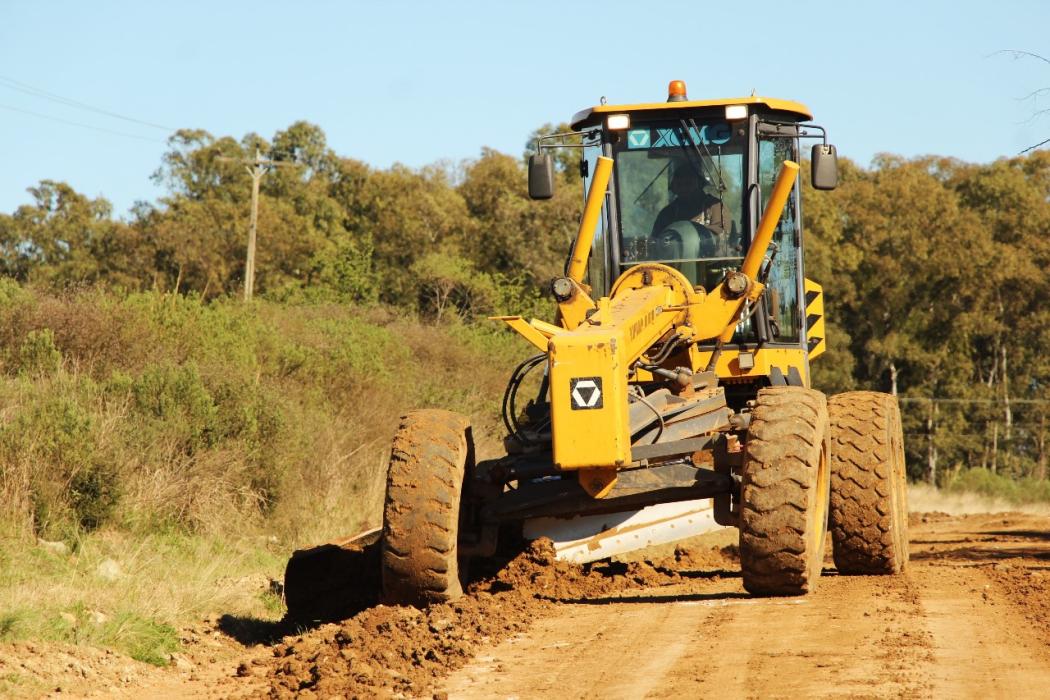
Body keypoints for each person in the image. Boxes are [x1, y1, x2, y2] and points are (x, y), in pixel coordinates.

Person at [650, 163, 728, 239]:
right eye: (679, 184)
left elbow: (725, 243)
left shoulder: (715, 208)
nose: (684, 188)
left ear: (700, 184)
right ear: (674, 187)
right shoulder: (667, 213)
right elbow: (654, 243)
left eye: (688, 184)